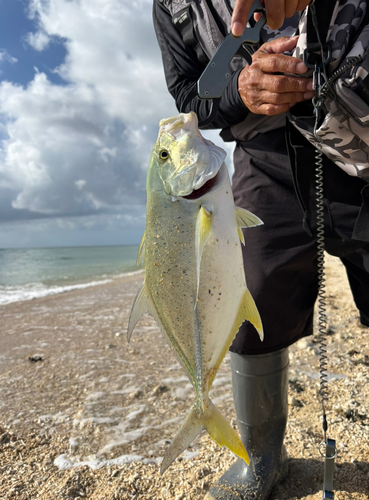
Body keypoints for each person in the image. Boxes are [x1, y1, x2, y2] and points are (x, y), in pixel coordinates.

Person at [152, 1, 369, 499]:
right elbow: (189, 94)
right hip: (264, 156)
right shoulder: (171, 8)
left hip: (360, 135)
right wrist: (242, 93)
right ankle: (263, 457)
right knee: (249, 296)